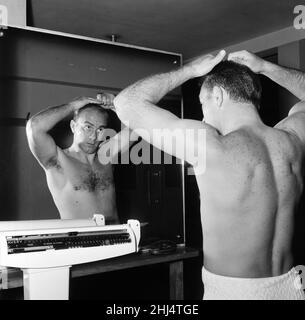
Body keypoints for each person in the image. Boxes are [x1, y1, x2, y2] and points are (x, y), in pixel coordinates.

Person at [112, 49, 305, 299]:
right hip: (289, 287)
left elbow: (126, 103)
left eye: (203, 103)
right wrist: (265, 67)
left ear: (218, 95)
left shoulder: (210, 146)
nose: (203, 115)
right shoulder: (293, 140)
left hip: (235, 292)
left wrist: (191, 70)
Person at [26, 93, 133, 224]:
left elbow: (137, 127)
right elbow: (35, 127)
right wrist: (72, 106)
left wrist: (115, 106)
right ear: (73, 126)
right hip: (80, 241)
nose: (93, 136)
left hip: (117, 238)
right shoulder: (58, 160)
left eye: (100, 129)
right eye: (88, 127)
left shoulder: (107, 156)